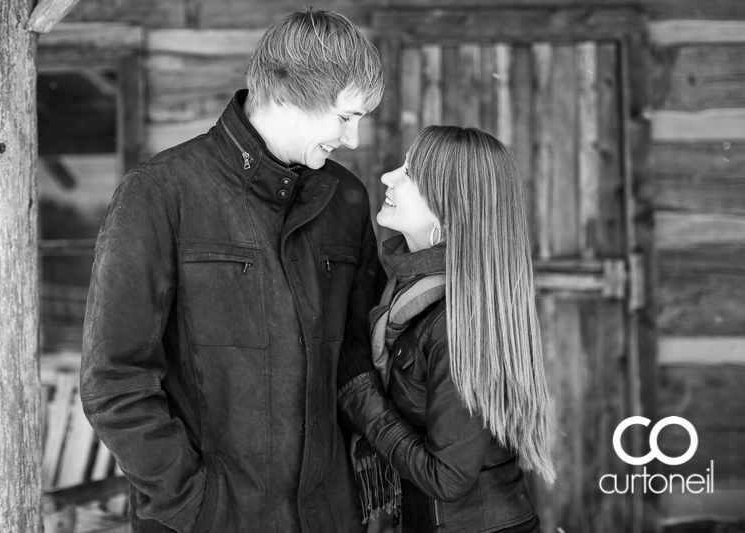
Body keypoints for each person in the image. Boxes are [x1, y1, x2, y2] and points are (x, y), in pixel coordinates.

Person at [80, 9, 385, 533]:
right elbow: (114, 377)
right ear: (289, 93)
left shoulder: (346, 200)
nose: (353, 140)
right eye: (345, 117)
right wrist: (188, 503)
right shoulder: (160, 192)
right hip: (210, 517)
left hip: (328, 517)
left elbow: (359, 354)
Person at [337, 125, 556, 533]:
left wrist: (359, 394)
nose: (388, 177)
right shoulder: (412, 297)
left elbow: (448, 478)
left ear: (449, 209)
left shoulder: (456, 324)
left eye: (411, 173)